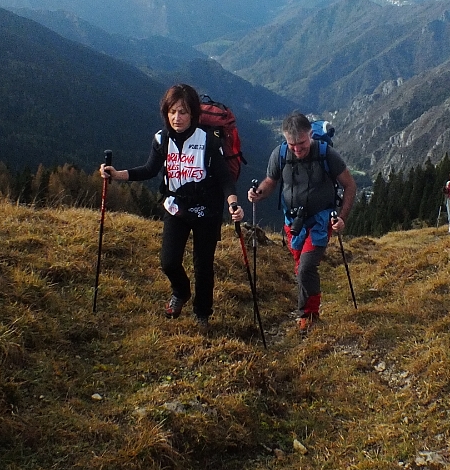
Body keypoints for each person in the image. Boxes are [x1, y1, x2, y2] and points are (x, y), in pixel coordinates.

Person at [101, 84, 243, 335]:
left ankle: (202, 313)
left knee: (203, 265)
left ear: (194, 114)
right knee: (168, 262)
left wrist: (233, 203)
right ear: (166, 112)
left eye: (184, 112)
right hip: (175, 207)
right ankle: (181, 291)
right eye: (173, 111)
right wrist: (117, 175)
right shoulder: (161, 139)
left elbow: (224, 178)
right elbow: (149, 170)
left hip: (207, 210)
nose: (177, 118)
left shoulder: (208, 140)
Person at [248, 112, 357, 334]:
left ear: (310, 135)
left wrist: (342, 218)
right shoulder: (279, 154)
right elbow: (271, 181)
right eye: (292, 144)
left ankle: (308, 315)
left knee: (307, 266)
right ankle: (308, 306)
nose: (297, 149)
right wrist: (259, 193)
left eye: (302, 143)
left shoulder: (327, 154)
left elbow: (350, 185)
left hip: (320, 220)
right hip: (293, 222)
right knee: (301, 267)